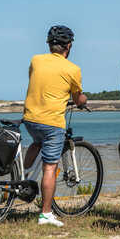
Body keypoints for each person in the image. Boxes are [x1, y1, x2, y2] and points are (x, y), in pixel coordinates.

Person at [23, 25, 87, 227]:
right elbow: (77, 98)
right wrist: (83, 101)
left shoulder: (36, 60)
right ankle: (46, 213)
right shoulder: (73, 69)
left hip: (30, 118)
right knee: (50, 167)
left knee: (37, 142)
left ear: (50, 44)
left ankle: (22, 178)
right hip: (52, 122)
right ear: (68, 46)